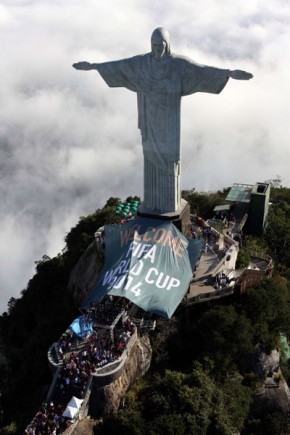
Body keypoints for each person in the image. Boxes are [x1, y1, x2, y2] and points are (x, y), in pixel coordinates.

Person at [73, 27, 253, 212]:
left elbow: (201, 71)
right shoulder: (141, 63)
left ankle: (168, 205)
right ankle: (153, 205)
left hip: (169, 124)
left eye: (161, 45)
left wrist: (228, 73)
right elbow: (120, 66)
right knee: (150, 161)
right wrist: (94, 66)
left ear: (168, 46)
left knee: (169, 162)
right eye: (155, 45)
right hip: (150, 120)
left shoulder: (179, 64)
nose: (158, 48)